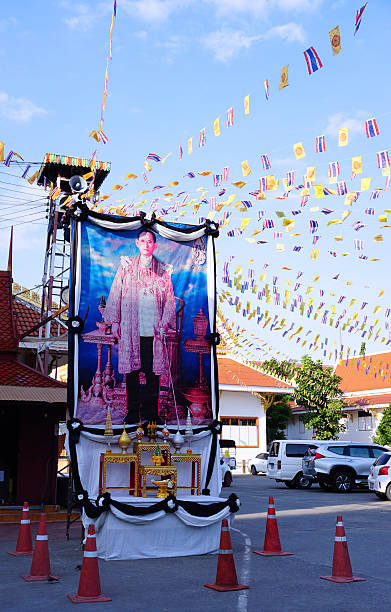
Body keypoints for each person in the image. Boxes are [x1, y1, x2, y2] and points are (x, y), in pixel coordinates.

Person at [104, 229, 176, 423]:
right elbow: (116, 291)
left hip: (153, 330)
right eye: (142, 241)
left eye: (150, 241)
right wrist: (116, 321)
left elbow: (169, 300)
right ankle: (133, 412)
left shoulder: (163, 270)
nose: (146, 244)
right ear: (137, 243)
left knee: (153, 373)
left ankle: (152, 414)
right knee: (132, 373)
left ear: (155, 245)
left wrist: (165, 322)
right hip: (131, 328)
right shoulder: (126, 266)